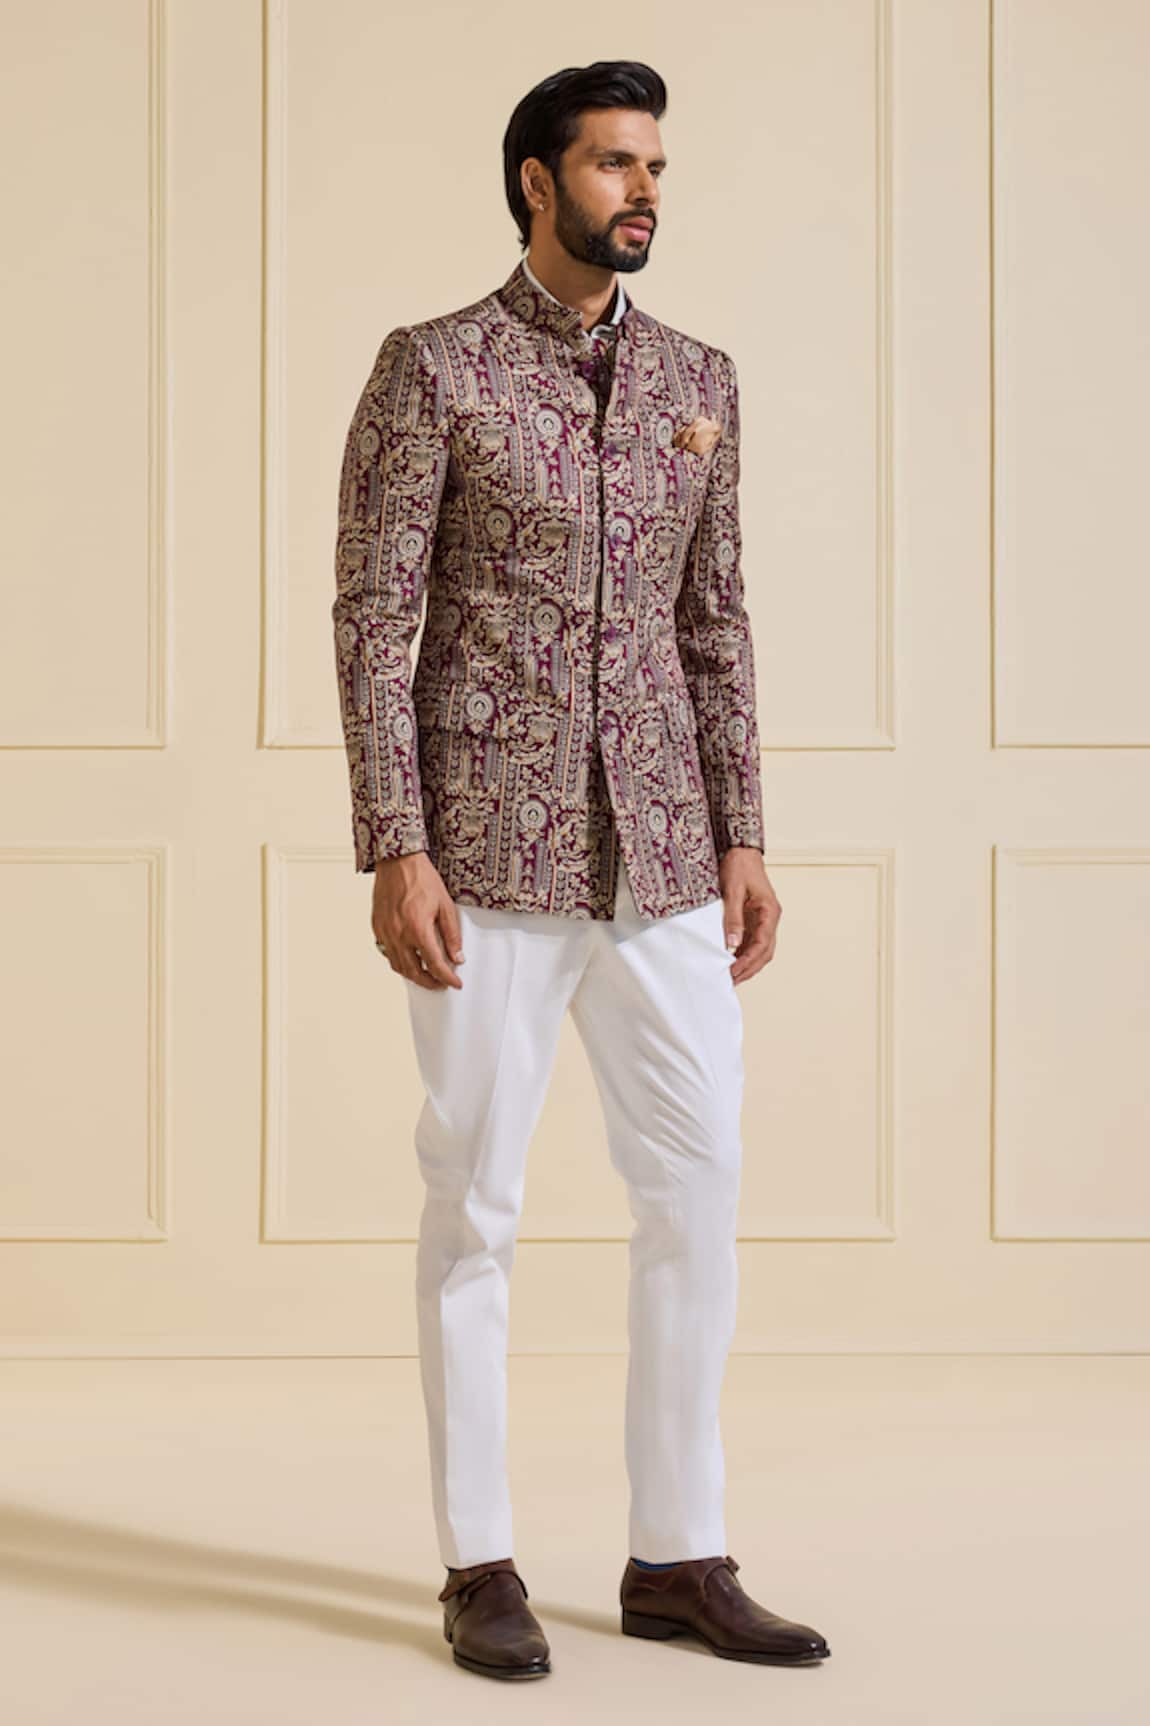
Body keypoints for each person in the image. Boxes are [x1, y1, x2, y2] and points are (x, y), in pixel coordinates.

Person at [331, 58, 830, 1682]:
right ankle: (478, 1558)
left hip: (666, 856)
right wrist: (396, 841)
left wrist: (742, 827)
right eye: (614, 163)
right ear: (537, 182)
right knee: (475, 1200)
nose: (644, 190)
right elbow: (373, 621)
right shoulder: (434, 369)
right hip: (486, 855)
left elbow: (713, 618)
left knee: (699, 1186)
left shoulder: (698, 378)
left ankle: (677, 1551)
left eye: (655, 166)